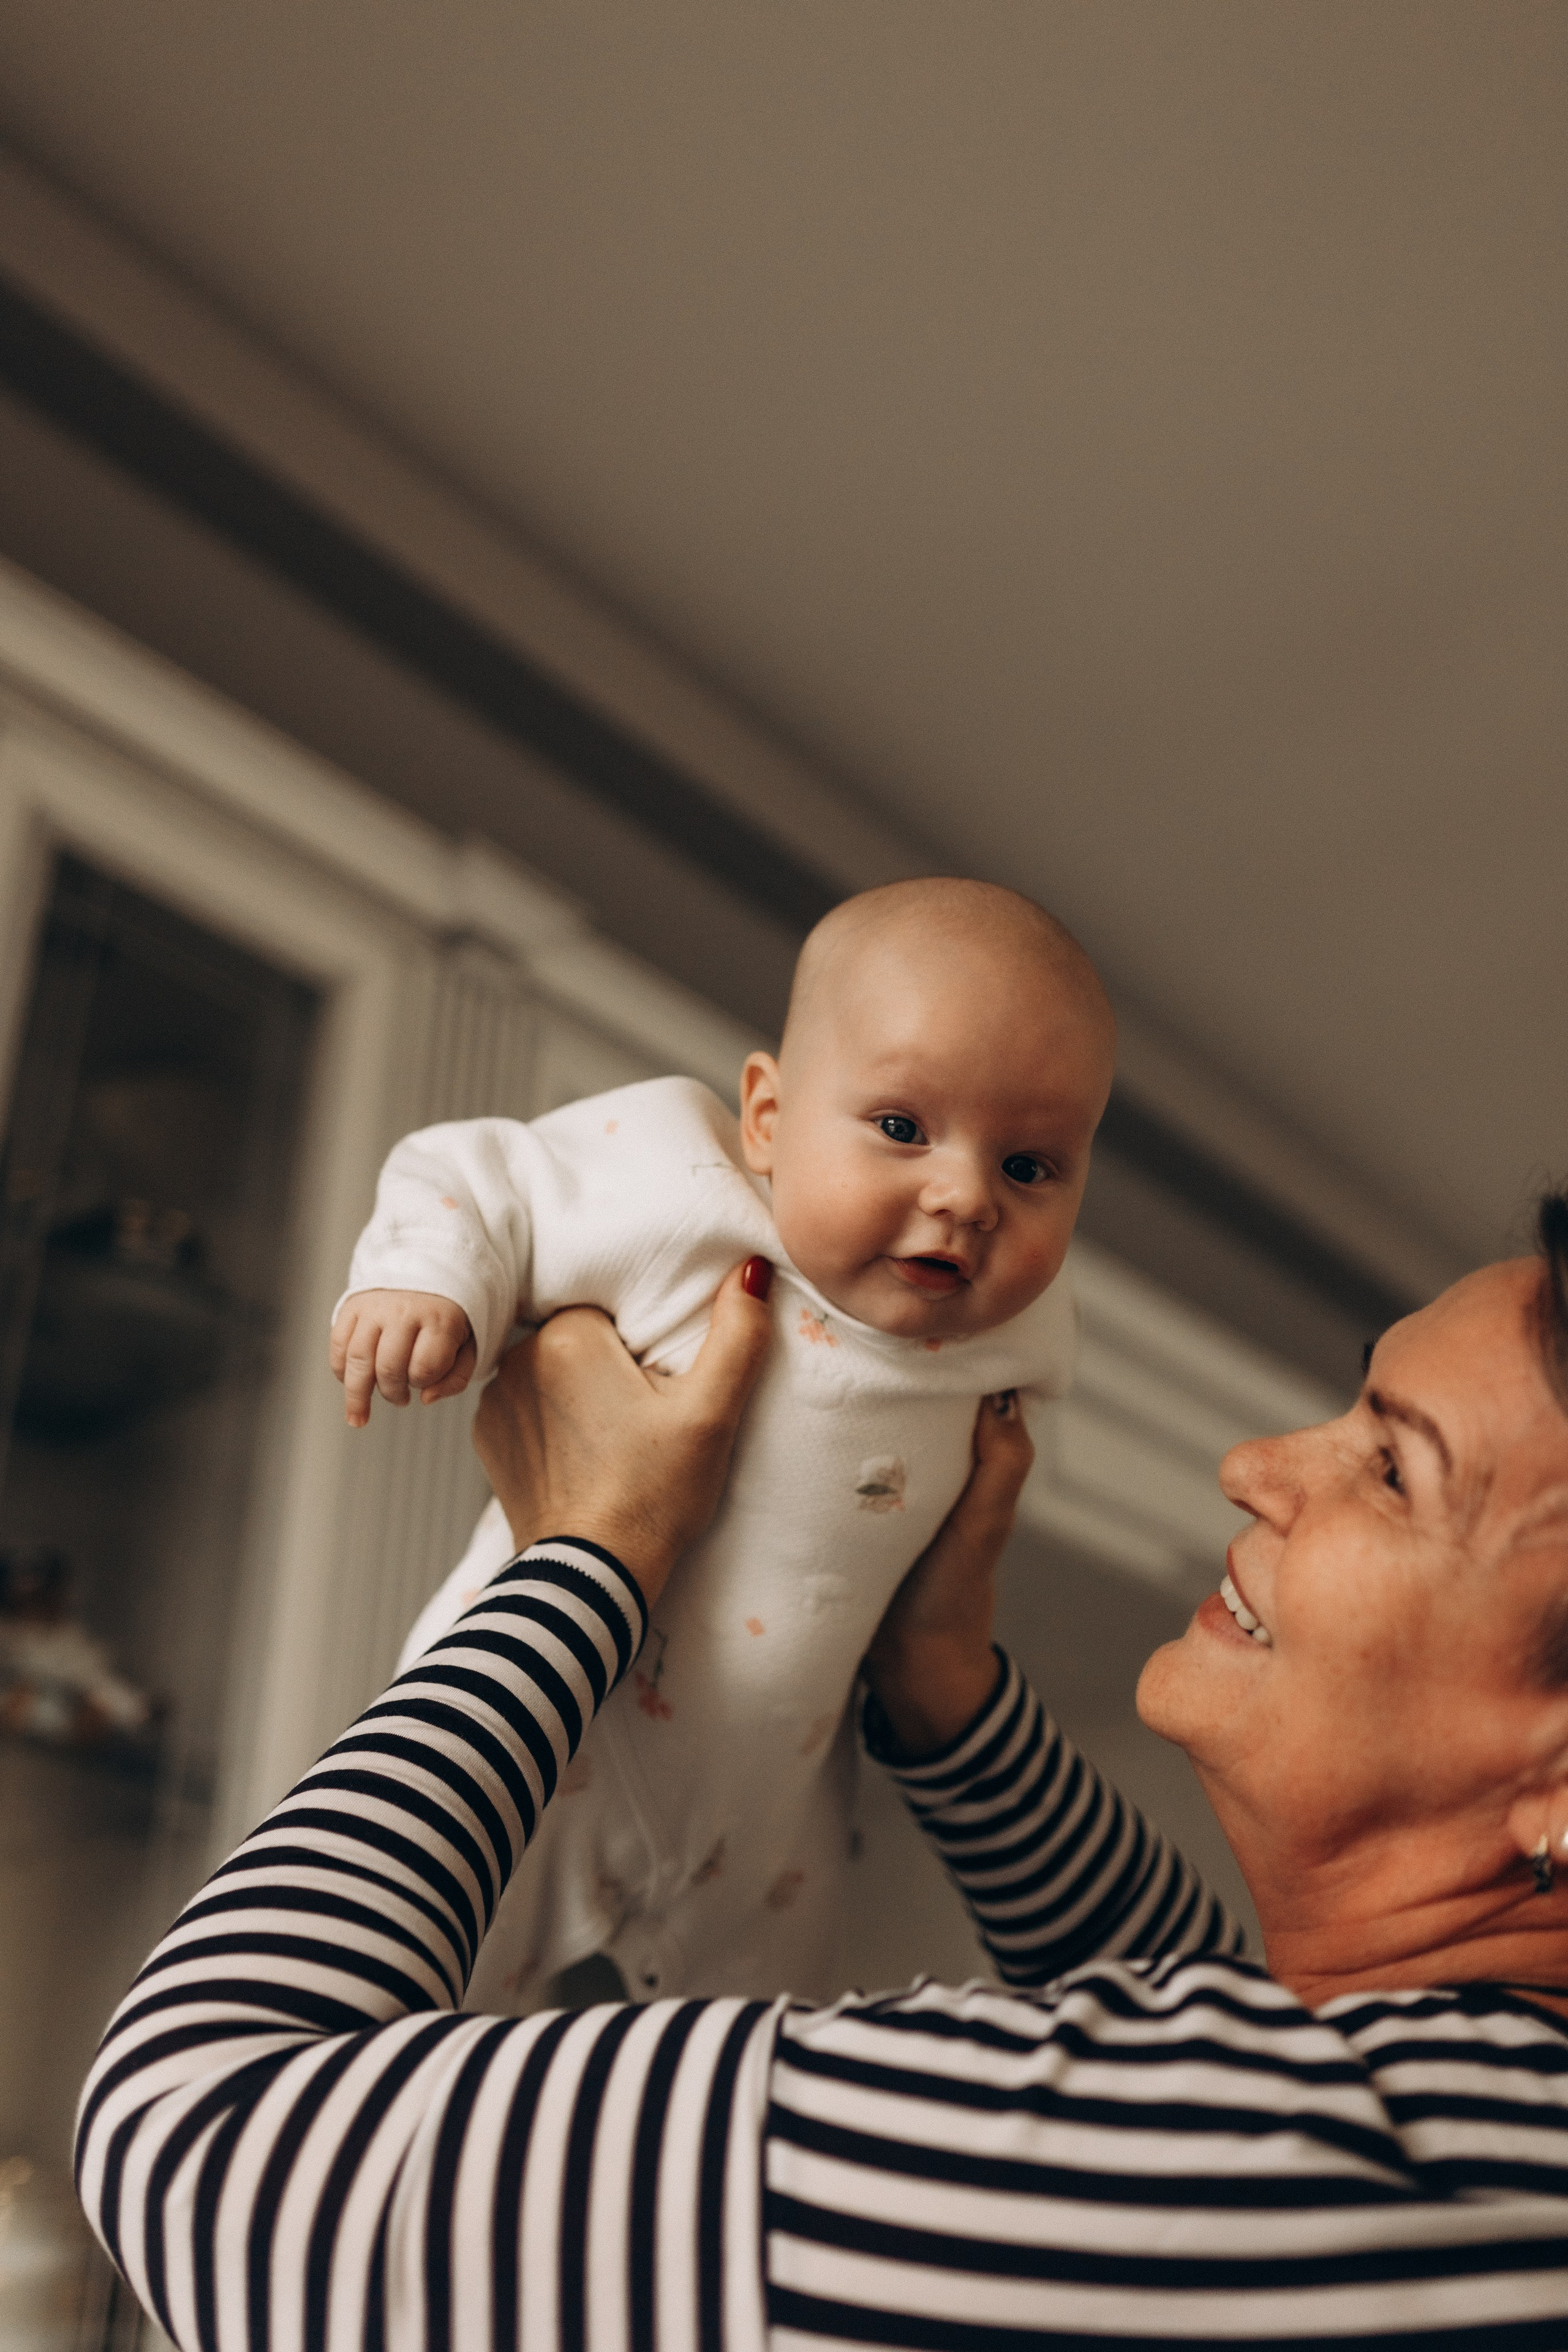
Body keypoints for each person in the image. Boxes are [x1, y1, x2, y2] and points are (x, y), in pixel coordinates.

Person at [77, 1203, 1568, 2348]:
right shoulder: (1478, 2169)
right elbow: (1230, 2022)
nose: (1256, 1463)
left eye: (1391, 1468)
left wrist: (581, 1565)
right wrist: (948, 1701)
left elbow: (199, 2134)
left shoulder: (1281, 2182)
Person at [325, 878, 1117, 2004]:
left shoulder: (1027, 1331)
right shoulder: (685, 1192)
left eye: (1030, 1167)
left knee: (731, 2056)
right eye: (902, 1128)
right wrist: (431, 1281)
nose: (966, 1195)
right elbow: (478, 1170)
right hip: (545, 1724)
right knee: (410, 1993)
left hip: (770, 1805)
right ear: (768, 1118)